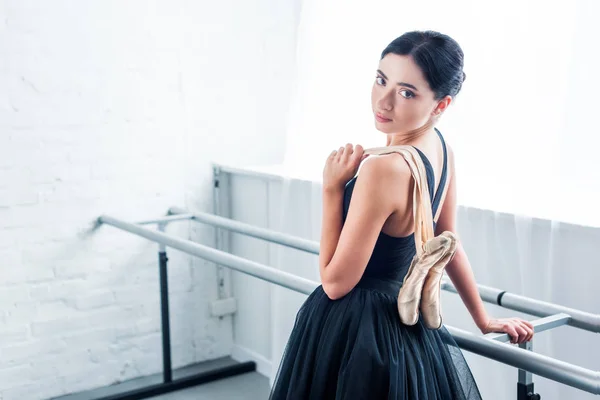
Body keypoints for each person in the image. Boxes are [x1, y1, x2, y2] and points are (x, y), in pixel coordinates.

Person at [269, 30, 535, 400]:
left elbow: (335, 283)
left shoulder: (385, 169)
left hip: (357, 331)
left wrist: (331, 189)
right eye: (381, 80)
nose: (384, 100)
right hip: (405, 330)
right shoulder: (441, 148)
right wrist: (483, 319)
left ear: (441, 105)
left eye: (407, 92)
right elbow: (450, 240)